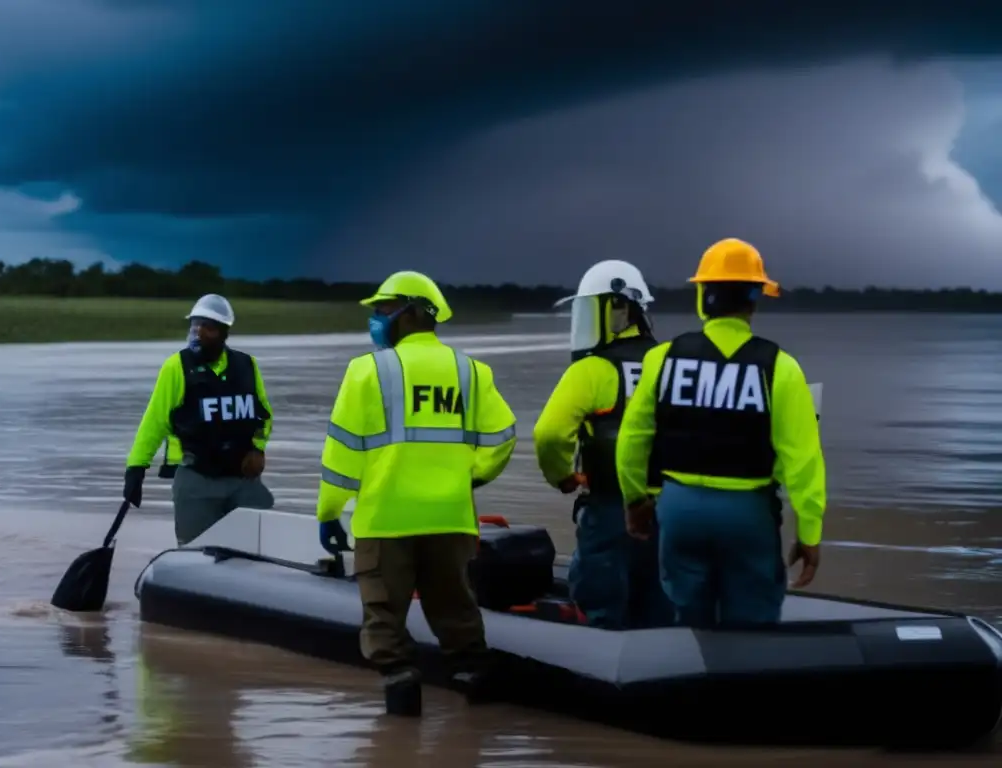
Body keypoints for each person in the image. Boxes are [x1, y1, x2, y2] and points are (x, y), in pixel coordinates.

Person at [316, 270, 517, 717]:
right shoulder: (471, 372)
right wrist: (471, 478)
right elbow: (503, 436)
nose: (376, 319)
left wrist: (329, 512)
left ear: (410, 313)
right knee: (460, 620)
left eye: (383, 310)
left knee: (384, 622)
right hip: (450, 519)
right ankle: (476, 726)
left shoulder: (367, 371)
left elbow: (341, 453)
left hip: (386, 521)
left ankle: (402, 714)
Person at [616, 238, 826, 629]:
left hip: (678, 511)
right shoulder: (781, 368)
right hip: (748, 514)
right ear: (754, 298)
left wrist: (635, 501)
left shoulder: (660, 359)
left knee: (687, 620)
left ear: (703, 294)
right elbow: (804, 462)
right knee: (752, 622)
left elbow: (632, 441)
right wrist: (809, 532)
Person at [532, 260, 672, 630]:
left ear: (617, 309)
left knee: (601, 609)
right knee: (663, 609)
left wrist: (563, 476)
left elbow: (548, 433)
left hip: (611, 509)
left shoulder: (591, 370)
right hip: (674, 512)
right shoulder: (675, 363)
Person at [123, 294, 275, 545]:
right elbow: (155, 421)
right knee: (196, 556)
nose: (199, 333)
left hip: (243, 480)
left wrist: (258, 448)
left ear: (224, 333)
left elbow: (264, 417)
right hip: (197, 480)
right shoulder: (176, 367)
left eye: (209, 327)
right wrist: (136, 468)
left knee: (255, 553)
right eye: (195, 325)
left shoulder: (247, 365)